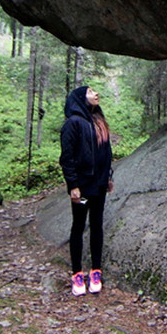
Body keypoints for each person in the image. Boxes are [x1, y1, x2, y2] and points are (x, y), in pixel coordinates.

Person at [59, 85, 114, 295]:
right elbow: (67, 158)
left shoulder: (99, 122)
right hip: (81, 187)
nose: (96, 94)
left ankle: (96, 271)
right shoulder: (73, 123)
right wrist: (73, 185)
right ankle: (76, 274)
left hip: (99, 185)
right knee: (78, 226)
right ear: (81, 98)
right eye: (91, 92)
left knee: (97, 225)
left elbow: (105, 152)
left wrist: (108, 177)